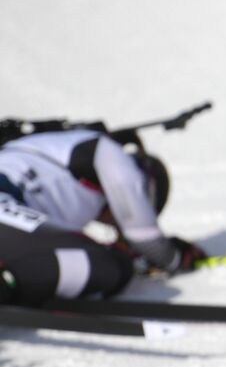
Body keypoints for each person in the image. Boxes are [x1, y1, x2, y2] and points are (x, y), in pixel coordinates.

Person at [0, 128, 204, 306]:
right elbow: (145, 239)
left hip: (10, 213)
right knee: (111, 265)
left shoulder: (55, 155)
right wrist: (175, 258)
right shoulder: (110, 152)